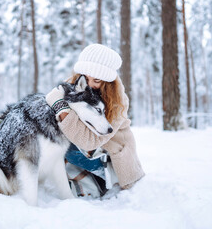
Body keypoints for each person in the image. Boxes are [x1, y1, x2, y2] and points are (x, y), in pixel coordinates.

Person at [45, 44, 145, 195]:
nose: (90, 85)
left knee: (68, 149)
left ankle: (104, 177)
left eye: (97, 81)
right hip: (86, 146)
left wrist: (62, 109)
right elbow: (53, 95)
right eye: (86, 78)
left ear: (107, 81)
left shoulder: (118, 101)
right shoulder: (79, 82)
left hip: (111, 153)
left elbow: (90, 141)